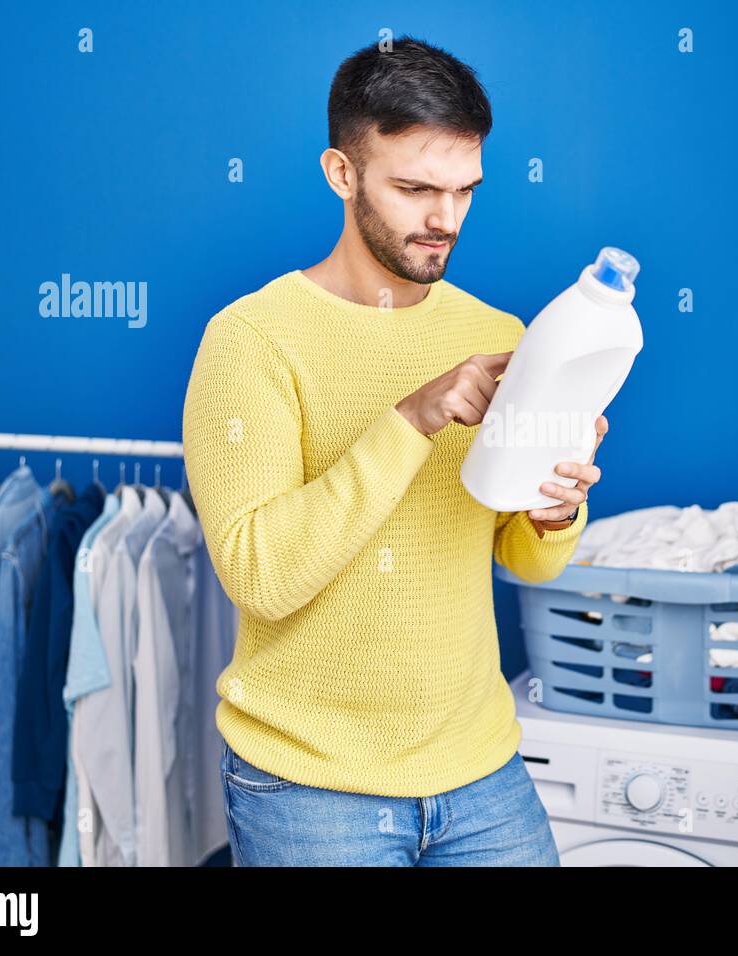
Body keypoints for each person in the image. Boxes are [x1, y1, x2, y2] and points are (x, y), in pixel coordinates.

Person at [181, 34, 607, 866]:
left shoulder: (497, 334)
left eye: (463, 191)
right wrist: (409, 420)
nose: (444, 220)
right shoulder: (251, 342)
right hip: (310, 789)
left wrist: (555, 508)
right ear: (342, 174)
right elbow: (262, 577)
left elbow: (526, 559)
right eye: (414, 188)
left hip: (481, 771)